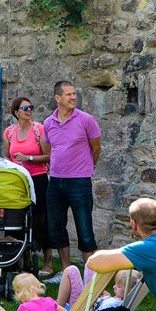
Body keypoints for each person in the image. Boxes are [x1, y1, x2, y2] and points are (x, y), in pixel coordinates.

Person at [43, 80, 102, 273]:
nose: (73, 97)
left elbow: (96, 148)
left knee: (85, 230)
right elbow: (50, 149)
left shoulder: (86, 120)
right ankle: (66, 271)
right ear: (57, 98)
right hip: (56, 183)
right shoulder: (48, 122)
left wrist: (88, 166)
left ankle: (91, 275)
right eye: (68, 94)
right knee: (56, 228)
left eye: (74, 94)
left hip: (79, 182)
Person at [2, 96, 53, 276]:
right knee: (15, 217)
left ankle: (48, 263)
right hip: (17, 180)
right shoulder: (9, 132)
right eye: (25, 108)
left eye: (31, 107)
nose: (29, 110)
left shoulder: (39, 130)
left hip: (38, 179)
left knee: (42, 219)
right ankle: (17, 259)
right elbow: (6, 156)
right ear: (16, 112)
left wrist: (29, 158)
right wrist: (14, 165)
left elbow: (48, 155)